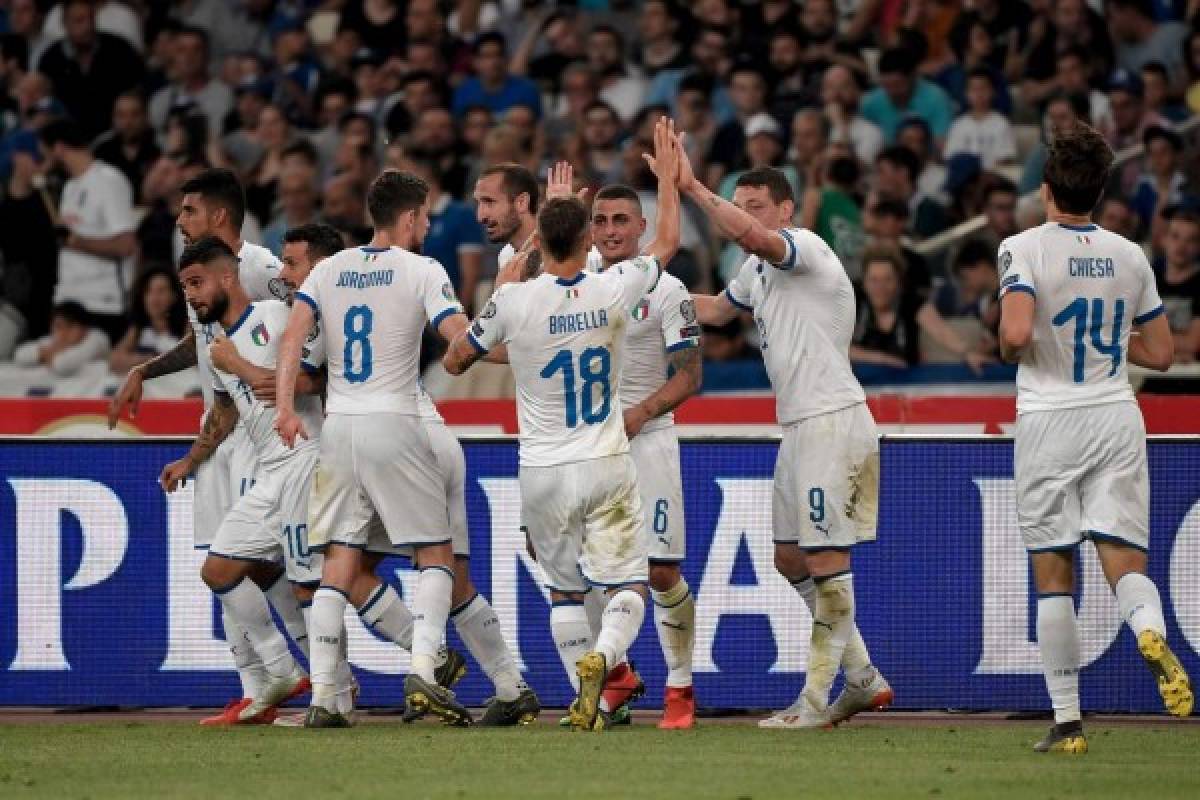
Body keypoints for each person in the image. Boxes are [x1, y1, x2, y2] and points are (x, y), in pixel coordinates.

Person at [442, 122, 674, 732]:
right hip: (605, 458)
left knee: (566, 593)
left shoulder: (516, 299)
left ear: (537, 236)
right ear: (587, 238)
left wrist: (503, 292)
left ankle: (587, 696)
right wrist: (670, 182)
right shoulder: (613, 284)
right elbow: (669, 239)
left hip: (542, 467)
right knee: (629, 583)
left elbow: (456, 358)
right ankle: (608, 659)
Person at [670, 125, 892, 728]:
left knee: (826, 561)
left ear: (785, 210)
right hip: (798, 428)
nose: (744, 219)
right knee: (789, 558)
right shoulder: (757, 273)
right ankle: (864, 678)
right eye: (739, 206)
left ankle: (814, 700)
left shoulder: (806, 247)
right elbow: (716, 309)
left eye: (756, 208)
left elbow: (753, 239)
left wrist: (691, 188)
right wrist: (648, 295)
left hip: (832, 422)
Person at [274, 170, 509, 728]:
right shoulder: (423, 269)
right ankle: (426, 674)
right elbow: (458, 335)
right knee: (434, 553)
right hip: (396, 420)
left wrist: (285, 407)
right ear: (409, 218)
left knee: (336, 563)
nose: (427, 225)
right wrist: (509, 321)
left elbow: (293, 336)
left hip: (338, 429)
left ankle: (326, 698)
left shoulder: (329, 268)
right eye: (424, 217)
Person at [997, 124, 1192, 754]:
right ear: (1101, 192)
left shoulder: (1022, 247)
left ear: (1047, 187)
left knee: (1055, 572)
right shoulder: (1131, 255)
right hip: (1114, 415)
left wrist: (1011, 339)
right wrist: (1105, 338)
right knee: (1125, 561)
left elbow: (1018, 334)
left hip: (1051, 418)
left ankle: (1069, 725)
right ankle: (1145, 628)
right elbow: (1163, 352)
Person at [107, 168, 300, 727]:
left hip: (257, 429)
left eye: (189, 210)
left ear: (218, 215)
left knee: (247, 564)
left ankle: (297, 677)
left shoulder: (262, 269)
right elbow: (205, 340)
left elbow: (304, 328)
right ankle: (258, 690)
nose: (179, 219)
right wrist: (146, 367)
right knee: (230, 563)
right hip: (219, 425)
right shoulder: (202, 277)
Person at [159, 236, 331, 724]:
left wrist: (238, 363)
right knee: (220, 571)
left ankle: (335, 691)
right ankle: (280, 669)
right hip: (272, 472)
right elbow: (226, 408)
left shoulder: (275, 318)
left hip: (303, 459)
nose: (191, 296)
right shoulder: (218, 348)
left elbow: (310, 378)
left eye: (197, 283)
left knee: (311, 587)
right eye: (185, 287)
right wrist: (192, 458)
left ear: (227, 277)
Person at [568, 158, 702, 729]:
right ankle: (618, 677)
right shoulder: (580, 281)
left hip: (647, 444)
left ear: (642, 227)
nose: (611, 230)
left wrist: (641, 413)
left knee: (660, 571)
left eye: (622, 219)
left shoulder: (668, 289)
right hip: (590, 448)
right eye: (601, 220)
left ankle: (680, 688)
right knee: (587, 571)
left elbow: (691, 375)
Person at [38, 117, 137, 344]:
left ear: (59, 148)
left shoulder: (109, 181)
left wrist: (77, 242)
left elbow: (126, 245)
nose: (43, 161)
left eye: (45, 153)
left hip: (101, 303)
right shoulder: (70, 187)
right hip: (68, 300)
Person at [108, 267, 188, 375]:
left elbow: (190, 362)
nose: (154, 298)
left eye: (161, 291)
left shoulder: (187, 325)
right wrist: (150, 358)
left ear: (174, 296)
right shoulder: (138, 328)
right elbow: (114, 361)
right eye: (148, 291)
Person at [12, 300, 109, 375]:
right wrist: (50, 351)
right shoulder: (51, 340)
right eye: (58, 326)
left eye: (70, 326)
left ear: (85, 328)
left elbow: (62, 365)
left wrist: (47, 354)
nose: (63, 332)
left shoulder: (97, 338)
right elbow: (19, 355)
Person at [1152, 210, 1200, 364]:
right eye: (1175, 236)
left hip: (1190, 377)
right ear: (1163, 240)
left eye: (1191, 240)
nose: (1181, 245)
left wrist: (1148, 338)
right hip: (1150, 374)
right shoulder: (1148, 279)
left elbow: (1193, 344)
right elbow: (1129, 336)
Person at [943, 68, 1016, 169]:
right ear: (966, 94)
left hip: (992, 178)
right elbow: (951, 158)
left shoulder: (1001, 123)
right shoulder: (958, 124)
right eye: (974, 89)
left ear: (993, 92)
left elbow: (1005, 159)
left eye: (983, 88)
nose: (979, 94)